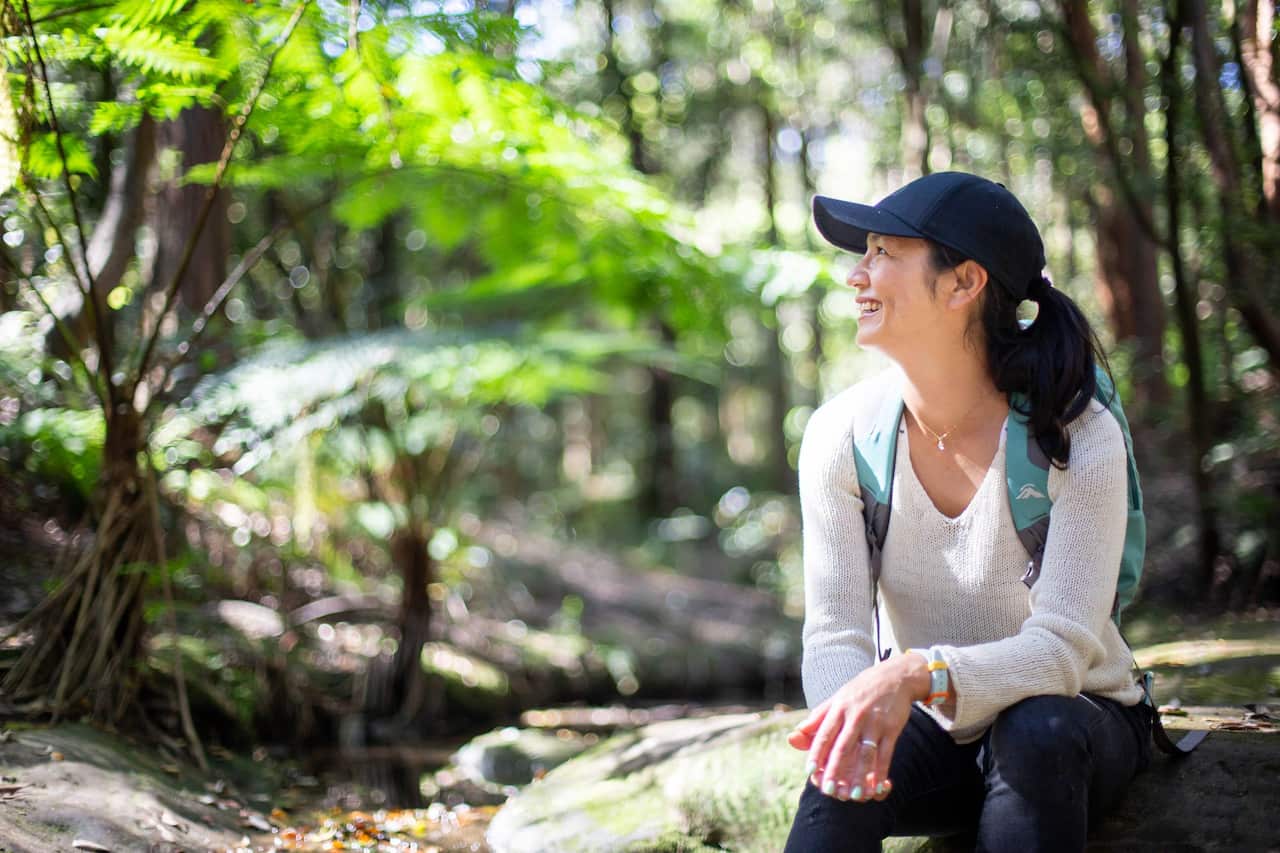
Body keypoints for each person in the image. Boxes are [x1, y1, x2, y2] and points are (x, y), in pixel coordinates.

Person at [782, 172, 1152, 852]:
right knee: (837, 774)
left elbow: (1064, 651)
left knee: (1036, 729)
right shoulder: (841, 436)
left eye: (882, 253)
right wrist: (850, 723)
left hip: (1073, 724)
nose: (856, 276)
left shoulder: (1073, 431)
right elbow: (835, 636)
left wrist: (916, 672)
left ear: (963, 283)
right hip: (936, 733)